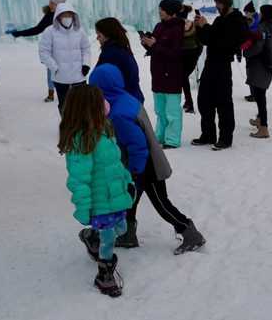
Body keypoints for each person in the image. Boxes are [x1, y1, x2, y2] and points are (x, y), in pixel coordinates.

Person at [87, 65, 206, 254]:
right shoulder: (124, 99)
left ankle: (190, 232)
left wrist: (135, 172)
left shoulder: (118, 114)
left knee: (161, 203)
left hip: (146, 165)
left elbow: (137, 145)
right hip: (140, 162)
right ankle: (128, 235)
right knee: (128, 201)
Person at [59, 84, 135, 298]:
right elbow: (79, 180)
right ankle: (105, 273)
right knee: (109, 238)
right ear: (88, 108)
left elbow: (116, 163)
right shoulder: (81, 141)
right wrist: (84, 207)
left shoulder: (105, 129)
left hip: (115, 196)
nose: (105, 105)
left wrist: (127, 181)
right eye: (100, 102)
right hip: (100, 203)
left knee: (120, 229)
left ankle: (91, 236)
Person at [192, 0, 248, 151]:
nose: (217, 6)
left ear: (226, 2)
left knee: (223, 103)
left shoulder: (236, 20)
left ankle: (225, 138)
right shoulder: (219, 20)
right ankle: (208, 134)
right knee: (204, 100)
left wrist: (207, 28)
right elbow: (208, 40)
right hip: (211, 64)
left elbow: (225, 41)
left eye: (219, 3)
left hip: (223, 65)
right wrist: (200, 27)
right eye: (216, 2)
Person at [141, 0, 187, 148]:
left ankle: (172, 140)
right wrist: (146, 43)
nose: (159, 11)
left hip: (172, 74)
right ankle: (159, 137)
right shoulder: (159, 26)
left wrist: (155, 45)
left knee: (172, 111)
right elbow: (155, 48)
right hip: (158, 74)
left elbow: (175, 53)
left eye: (162, 9)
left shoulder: (179, 28)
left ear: (171, 11)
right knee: (160, 110)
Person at [39, 2, 93, 109]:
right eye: (64, 15)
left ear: (73, 16)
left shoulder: (79, 31)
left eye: (69, 14)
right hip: (60, 78)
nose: (67, 17)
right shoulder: (50, 32)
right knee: (64, 105)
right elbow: (44, 52)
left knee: (81, 105)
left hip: (79, 76)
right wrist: (55, 68)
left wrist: (86, 64)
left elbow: (86, 49)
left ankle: (81, 125)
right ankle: (66, 125)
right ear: (58, 16)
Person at [9, 0, 62, 102]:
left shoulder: (64, 16)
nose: (50, 4)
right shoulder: (50, 15)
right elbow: (38, 29)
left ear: (58, 5)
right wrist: (19, 33)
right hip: (52, 47)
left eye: (52, 3)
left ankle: (67, 93)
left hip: (64, 47)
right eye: (50, 2)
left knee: (64, 69)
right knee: (51, 69)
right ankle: (51, 93)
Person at [246, 4, 272, 139]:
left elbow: (257, 47)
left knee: (260, 96)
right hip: (268, 63)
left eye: (261, 12)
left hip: (259, 64)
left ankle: (264, 128)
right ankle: (260, 119)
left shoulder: (262, 28)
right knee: (259, 93)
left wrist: (246, 53)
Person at [91, 18, 145, 103]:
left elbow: (104, 81)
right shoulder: (121, 48)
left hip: (122, 101)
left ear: (107, 35)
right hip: (132, 98)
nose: (97, 38)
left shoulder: (111, 54)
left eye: (99, 35)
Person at [180, 5, 201, 114]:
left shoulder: (177, 27)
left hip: (183, 56)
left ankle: (189, 103)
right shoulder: (193, 25)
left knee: (183, 79)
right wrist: (197, 54)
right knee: (184, 79)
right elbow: (199, 43)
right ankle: (188, 102)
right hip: (192, 56)